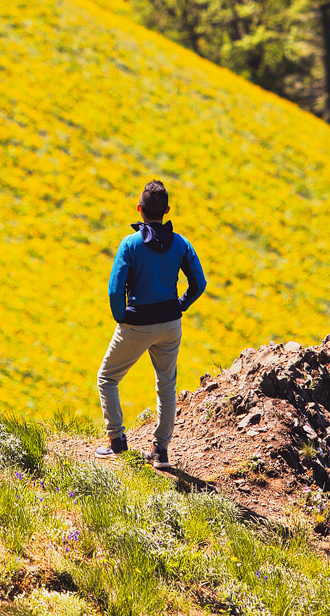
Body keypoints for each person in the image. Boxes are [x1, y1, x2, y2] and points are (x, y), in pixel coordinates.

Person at [96, 179, 206, 469]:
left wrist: (122, 316)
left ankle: (117, 442)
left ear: (139, 209)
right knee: (166, 386)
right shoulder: (181, 244)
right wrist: (180, 304)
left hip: (136, 324)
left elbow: (113, 290)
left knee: (107, 378)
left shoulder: (130, 244)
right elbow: (199, 283)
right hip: (170, 324)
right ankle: (161, 452)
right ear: (167, 210)